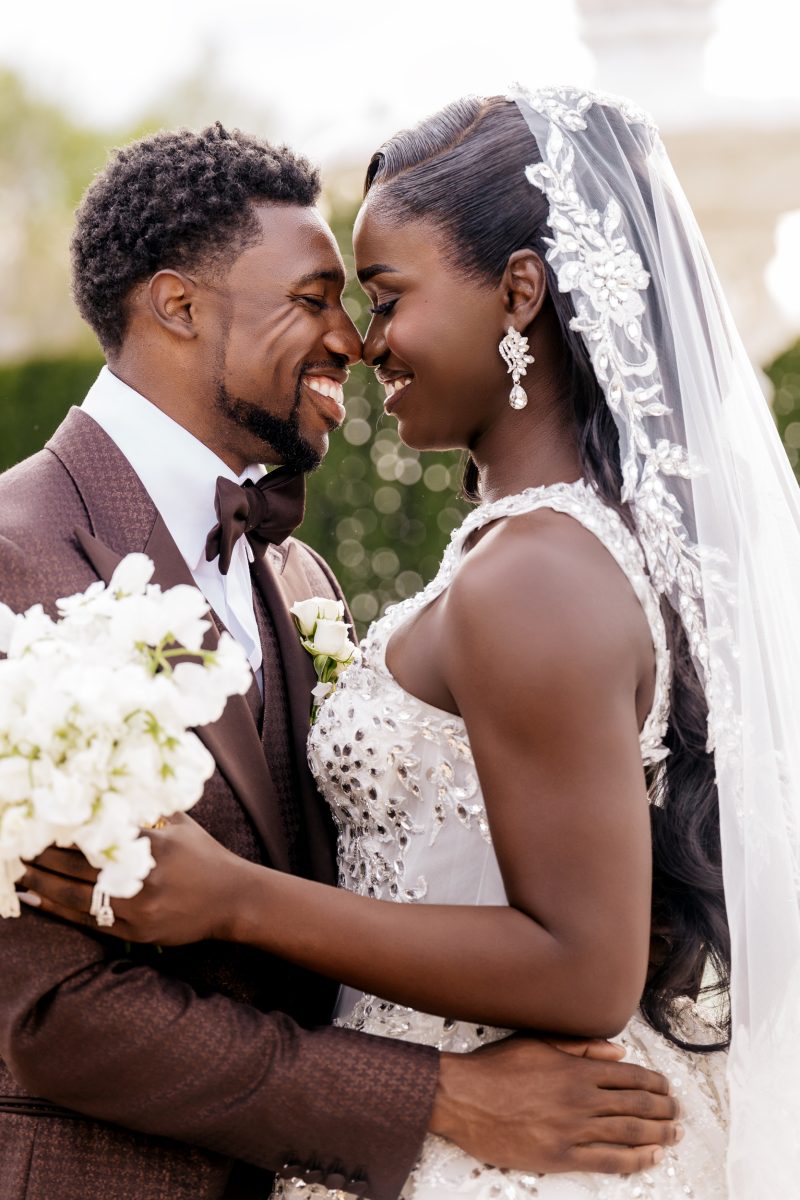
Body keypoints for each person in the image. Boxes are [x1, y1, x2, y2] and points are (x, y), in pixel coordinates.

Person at [0, 121, 683, 1200]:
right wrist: (438, 1097)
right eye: (315, 299)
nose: (352, 343)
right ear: (178, 307)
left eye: (364, 299)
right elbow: (51, 1018)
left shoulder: (301, 579)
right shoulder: (15, 557)